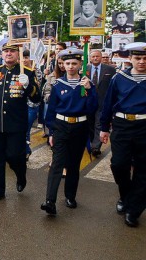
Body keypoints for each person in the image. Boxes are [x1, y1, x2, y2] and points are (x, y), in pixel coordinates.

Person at [41, 49, 98, 215]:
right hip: (61, 127)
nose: (71, 66)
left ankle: (70, 196)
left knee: (73, 164)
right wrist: (51, 132)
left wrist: (88, 90)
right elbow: (51, 111)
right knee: (57, 163)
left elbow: (92, 108)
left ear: (80, 64)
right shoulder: (58, 85)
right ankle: (49, 201)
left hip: (80, 127)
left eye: (74, 63)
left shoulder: (86, 84)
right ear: (63, 65)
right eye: (67, 63)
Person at [0, 43, 41, 200]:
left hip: (16, 123)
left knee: (15, 156)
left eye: (12, 51)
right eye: (6, 51)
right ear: (2, 54)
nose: (8, 54)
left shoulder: (27, 72)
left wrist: (28, 85)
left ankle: (21, 175)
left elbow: (37, 98)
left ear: (18, 54)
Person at [100, 42, 146, 227]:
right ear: (130, 59)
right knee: (119, 164)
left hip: (144, 126)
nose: (142, 62)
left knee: (143, 170)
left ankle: (133, 210)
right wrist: (103, 128)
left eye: (145, 58)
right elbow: (108, 103)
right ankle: (125, 196)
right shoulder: (119, 78)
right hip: (122, 125)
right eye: (138, 58)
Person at [86, 49, 116, 157]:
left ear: (101, 57)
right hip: (89, 103)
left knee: (99, 124)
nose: (95, 58)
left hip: (103, 102)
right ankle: (91, 141)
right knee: (90, 124)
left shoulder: (110, 70)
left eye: (97, 56)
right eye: (93, 56)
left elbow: (113, 87)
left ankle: (95, 147)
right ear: (90, 58)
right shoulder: (85, 69)